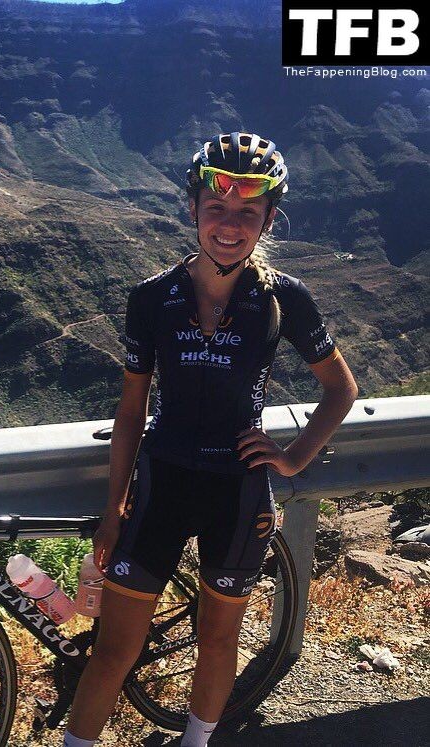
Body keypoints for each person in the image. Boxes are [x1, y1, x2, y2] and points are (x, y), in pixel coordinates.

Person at [62, 132, 359, 747]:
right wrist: (114, 507)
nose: (229, 225)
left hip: (237, 492)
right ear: (193, 209)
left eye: (248, 212)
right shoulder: (152, 298)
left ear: (269, 219)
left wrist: (292, 458)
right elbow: (132, 409)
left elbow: (341, 388)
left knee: (217, 641)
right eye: (216, 207)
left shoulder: (283, 298)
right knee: (115, 649)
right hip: (160, 486)